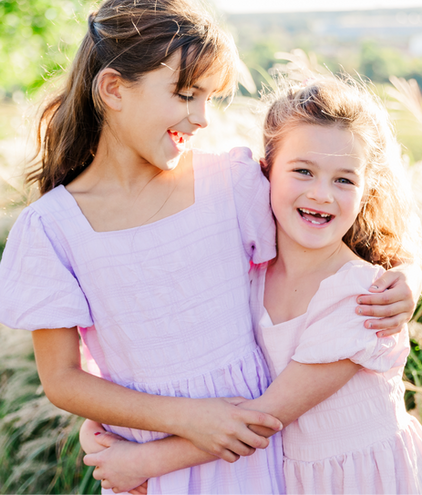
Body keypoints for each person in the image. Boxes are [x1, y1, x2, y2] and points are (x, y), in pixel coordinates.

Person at [0, 0, 416, 495]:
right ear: (113, 89)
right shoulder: (50, 229)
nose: (201, 118)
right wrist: (181, 420)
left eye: (210, 99)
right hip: (150, 463)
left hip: (257, 455)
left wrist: (404, 285)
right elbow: (63, 379)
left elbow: (325, 240)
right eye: (185, 94)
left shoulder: (232, 184)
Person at [82, 79, 422, 495]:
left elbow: (263, 418)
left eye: (344, 180)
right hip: (275, 477)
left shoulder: (362, 299)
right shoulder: (245, 273)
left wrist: (142, 462)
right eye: (302, 171)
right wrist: (102, 431)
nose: (321, 194)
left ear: (367, 188)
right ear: (266, 170)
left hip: (356, 481)